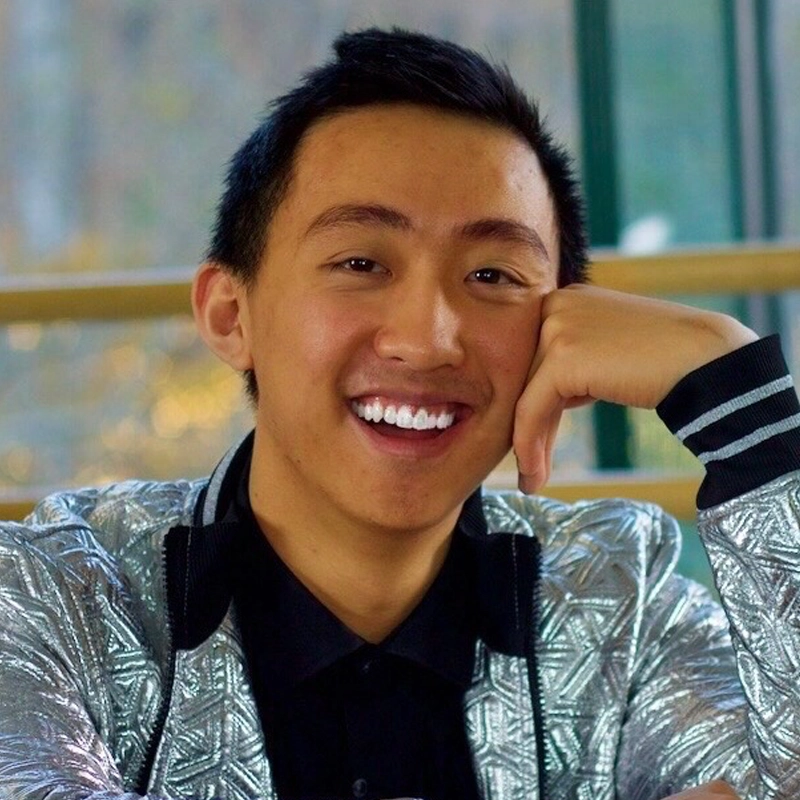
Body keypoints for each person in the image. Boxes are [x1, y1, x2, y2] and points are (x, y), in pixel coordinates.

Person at [1, 27, 799, 800]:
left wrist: (743, 413)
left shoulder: (620, 597)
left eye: (493, 275)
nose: (428, 340)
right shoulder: (56, 591)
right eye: (360, 262)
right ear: (230, 315)